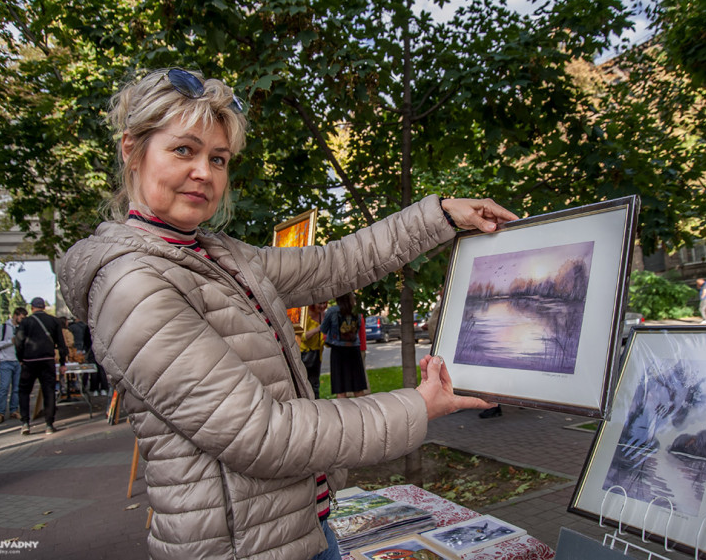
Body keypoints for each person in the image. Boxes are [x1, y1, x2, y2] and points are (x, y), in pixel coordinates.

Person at [58, 67, 516, 560]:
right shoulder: (134, 285)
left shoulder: (216, 255)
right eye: (183, 150)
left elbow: (337, 263)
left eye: (218, 158)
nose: (204, 173)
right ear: (132, 149)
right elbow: (264, 435)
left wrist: (443, 215)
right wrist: (418, 406)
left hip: (297, 530)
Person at [15, 297, 68, 435]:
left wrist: (21, 359)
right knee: (49, 391)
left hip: (29, 361)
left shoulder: (26, 322)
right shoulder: (53, 321)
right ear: (44, 307)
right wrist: (63, 362)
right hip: (47, 360)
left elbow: (19, 342)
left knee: (24, 391)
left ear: (32, 308)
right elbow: (62, 344)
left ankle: (25, 423)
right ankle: (49, 424)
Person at [323, 293, 368, 398]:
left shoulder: (333, 311)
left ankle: (344, 413)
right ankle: (363, 412)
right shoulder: (357, 312)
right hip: (354, 350)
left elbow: (324, 330)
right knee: (358, 387)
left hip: (338, 351)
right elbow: (359, 328)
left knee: (340, 388)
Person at [0, 307, 28, 423]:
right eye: (21, 318)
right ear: (15, 315)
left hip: (18, 361)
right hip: (6, 361)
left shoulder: (22, 328)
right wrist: (9, 342)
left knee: (16, 388)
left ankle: (14, 410)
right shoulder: (4, 328)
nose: (22, 320)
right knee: (4, 388)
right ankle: (0, 412)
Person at [299, 301, 327, 398]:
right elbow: (301, 336)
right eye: (320, 303)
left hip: (317, 354)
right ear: (313, 304)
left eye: (324, 303)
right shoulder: (305, 315)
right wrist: (318, 329)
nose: (322, 306)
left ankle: (316, 405)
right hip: (305, 354)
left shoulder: (324, 315)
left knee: (315, 384)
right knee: (304, 383)